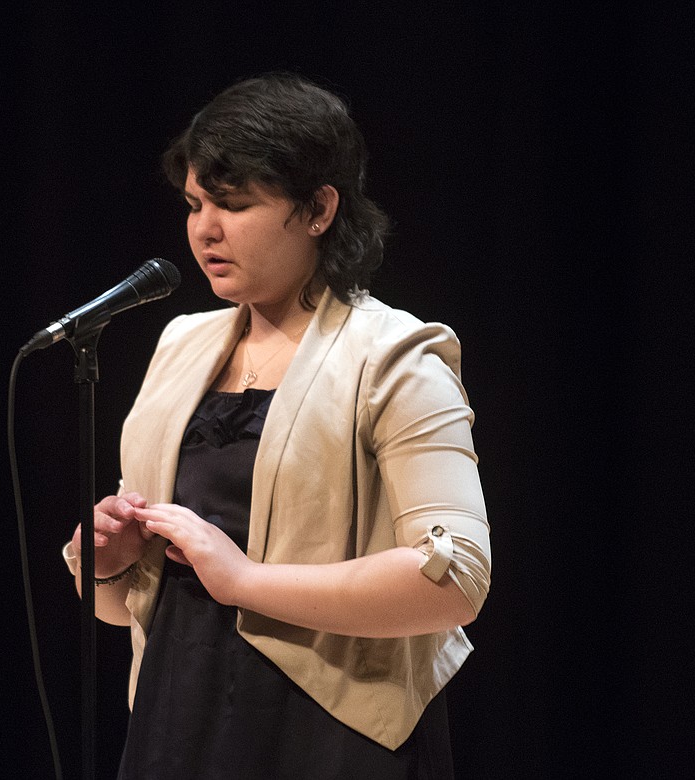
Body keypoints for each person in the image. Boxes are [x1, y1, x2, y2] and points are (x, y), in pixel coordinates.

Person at [61, 72, 491, 779]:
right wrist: (106, 562)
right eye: (195, 203)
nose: (205, 228)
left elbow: (455, 580)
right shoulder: (181, 346)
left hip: (330, 733)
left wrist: (246, 580)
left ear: (319, 207)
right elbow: (123, 608)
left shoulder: (395, 355)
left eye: (234, 204)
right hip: (178, 719)